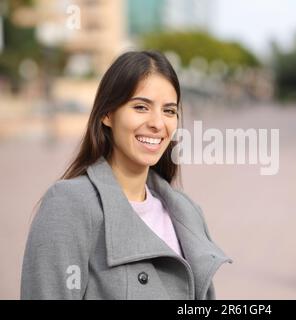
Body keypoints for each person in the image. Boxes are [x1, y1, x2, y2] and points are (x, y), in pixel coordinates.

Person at [21, 50, 232, 300]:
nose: (157, 123)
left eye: (169, 111)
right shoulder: (70, 205)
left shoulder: (187, 212)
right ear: (107, 114)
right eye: (141, 107)